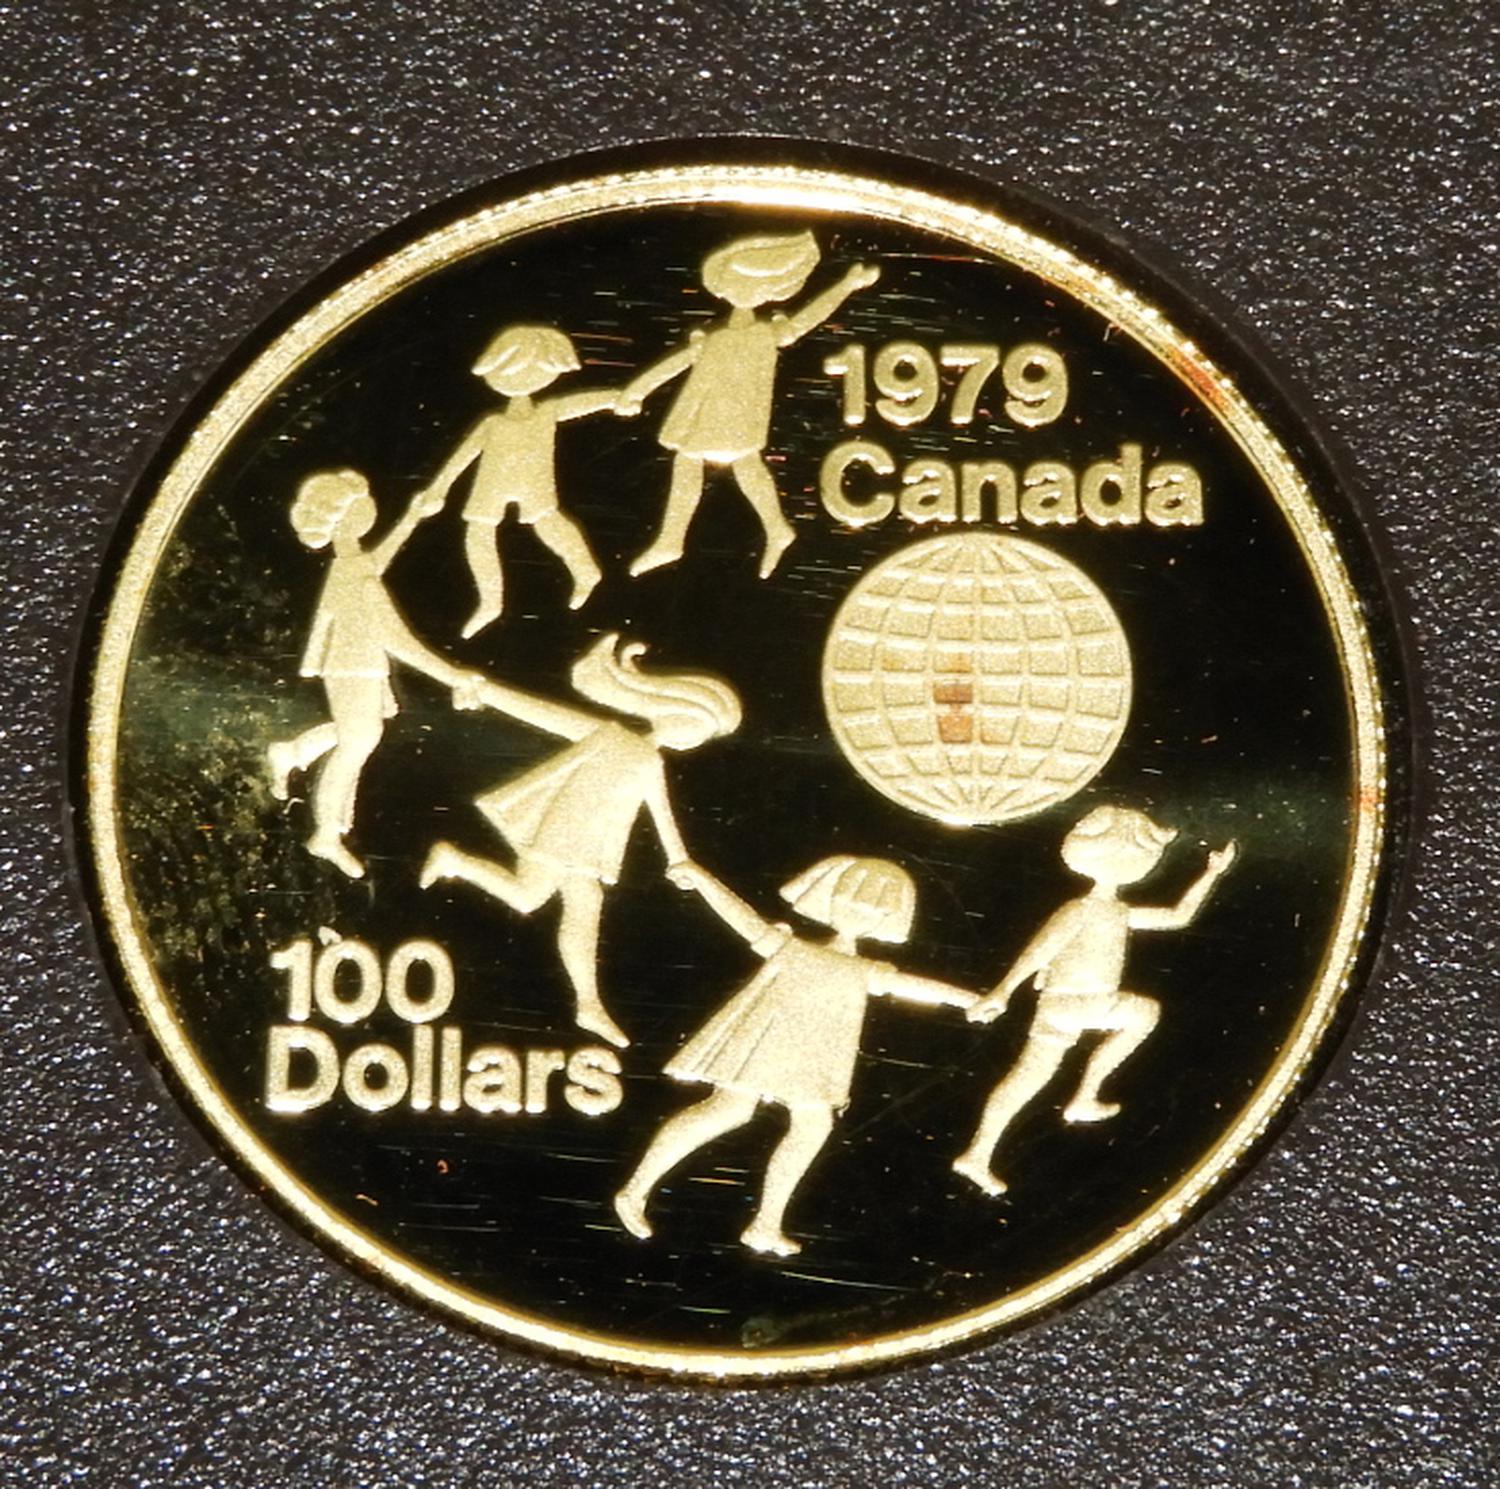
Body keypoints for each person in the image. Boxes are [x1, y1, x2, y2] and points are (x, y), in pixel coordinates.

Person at [614, 855, 977, 1257]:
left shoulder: (863, 968)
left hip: (814, 1055)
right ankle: (637, 1190)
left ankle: (764, 1223)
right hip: (765, 1039)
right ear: (829, 896)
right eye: (850, 898)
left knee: (806, 1124)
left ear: (886, 920)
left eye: (874, 909)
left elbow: (913, 986)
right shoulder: (793, 947)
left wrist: (968, 1000)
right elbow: (742, 919)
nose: (859, 911)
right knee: (731, 1109)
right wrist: (701, 878)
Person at [419, 633, 741, 1049]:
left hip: (592, 844)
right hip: (562, 828)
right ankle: (454, 861)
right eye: (700, 726)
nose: (697, 738)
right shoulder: (610, 734)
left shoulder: (650, 761)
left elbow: (660, 813)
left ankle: (588, 1003)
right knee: (528, 897)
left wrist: (680, 859)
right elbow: (546, 715)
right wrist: (487, 691)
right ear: (675, 713)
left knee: (583, 907)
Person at [953, 806, 1238, 1197]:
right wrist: (1002, 992)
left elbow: (1178, 916)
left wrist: (1212, 873)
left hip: (1063, 1009)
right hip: (1074, 1003)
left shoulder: (1118, 912)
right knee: (1143, 1013)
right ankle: (1084, 1096)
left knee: (1028, 1079)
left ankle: (978, 1154)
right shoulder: (1079, 910)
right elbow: (1039, 951)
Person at [617, 230, 880, 579]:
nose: (740, 290)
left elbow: (808, 318)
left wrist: (846, 285)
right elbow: (676, 363)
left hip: (734, 411)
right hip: (703, 407)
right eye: (734, 281)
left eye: (751, 283)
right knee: (730, 465)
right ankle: (769, 529)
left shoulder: (765, 333)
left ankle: (682, 539)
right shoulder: (712, 336)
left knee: (726, 464)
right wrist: (637, 390)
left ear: (769, 289)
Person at [268, 468, 469, 879]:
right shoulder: (356, 575)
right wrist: (453, 675)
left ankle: (294, 755)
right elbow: (397, 640)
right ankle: (327, 832)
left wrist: (414, 516)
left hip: (356, 665)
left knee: (357, 736)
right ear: (346, 519)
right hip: (353, 665)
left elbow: (377, 562)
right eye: (360, 507)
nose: (369, 510)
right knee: (357, 742)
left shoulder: (353, 566)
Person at [418, 324, 615, 637]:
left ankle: (586, 571)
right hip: (492, 482)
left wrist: (615, 398)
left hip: (532, 480)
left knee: (548, 523)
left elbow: (578, 404)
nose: (518, 379)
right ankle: (490, 602)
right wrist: (439, 488)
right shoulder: (492, 422)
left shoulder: (547, 412)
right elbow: (463, 456)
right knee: (479, 532)